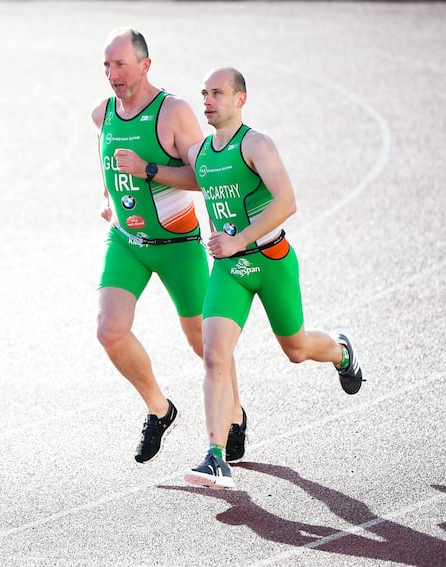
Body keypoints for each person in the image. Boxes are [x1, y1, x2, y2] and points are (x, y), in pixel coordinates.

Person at [181, 67, 365, 489]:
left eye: (218, 93)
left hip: (270, 261)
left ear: (240, 99)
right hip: (230, 270)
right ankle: (215, 454)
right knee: (214, 355)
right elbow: (190, 178)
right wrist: (147, 171)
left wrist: (240, 239)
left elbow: (287, 202)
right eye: (204, 93)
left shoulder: (256, 144)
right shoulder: (200, 153)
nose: (208, 100)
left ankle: (341, 352)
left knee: (296, 349)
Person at [91, 29, 248, 463]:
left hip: (177, 244)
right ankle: (159, 410)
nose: (112, 74)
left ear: (145, 65)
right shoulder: (103, 113)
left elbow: (205, 175)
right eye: (106, 65)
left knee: (205, 345)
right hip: (127, 244)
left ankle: (232, 417)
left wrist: (148, 168)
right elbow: (106, 159)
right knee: (109, 331)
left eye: (120, 64)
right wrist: (108, 198)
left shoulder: (173, 113)